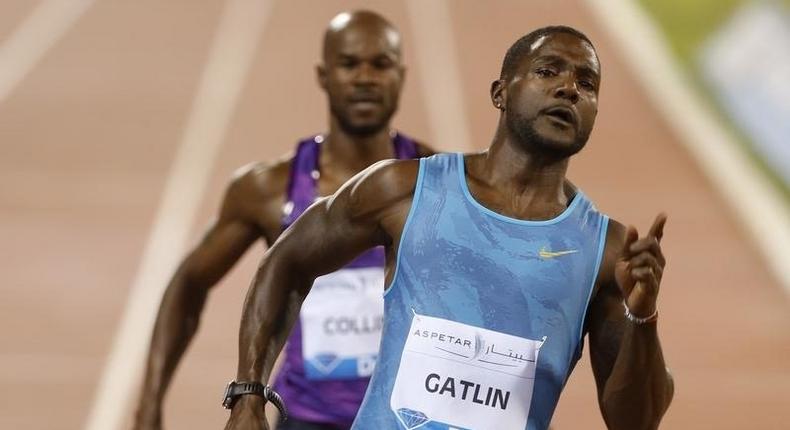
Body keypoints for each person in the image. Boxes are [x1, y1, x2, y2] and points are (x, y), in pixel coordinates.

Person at [223, 25, 674, 430]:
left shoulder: (605, 250)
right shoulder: (404, 190)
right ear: (500, 92)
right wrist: (248, 394)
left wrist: (643, 315)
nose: (568, 90)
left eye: (586, 83)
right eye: (548, 71)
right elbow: (286, 261)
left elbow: (634, 421)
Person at [132, 10, 432, 430]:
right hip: (305, 419)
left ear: (400, 75)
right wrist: (149, 404)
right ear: (323, 75)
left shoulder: (435, 182)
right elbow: (189, 282)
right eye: (349, 64)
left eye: (380, 64)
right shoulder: (269, 191)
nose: (365, 77)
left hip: (402, 419)